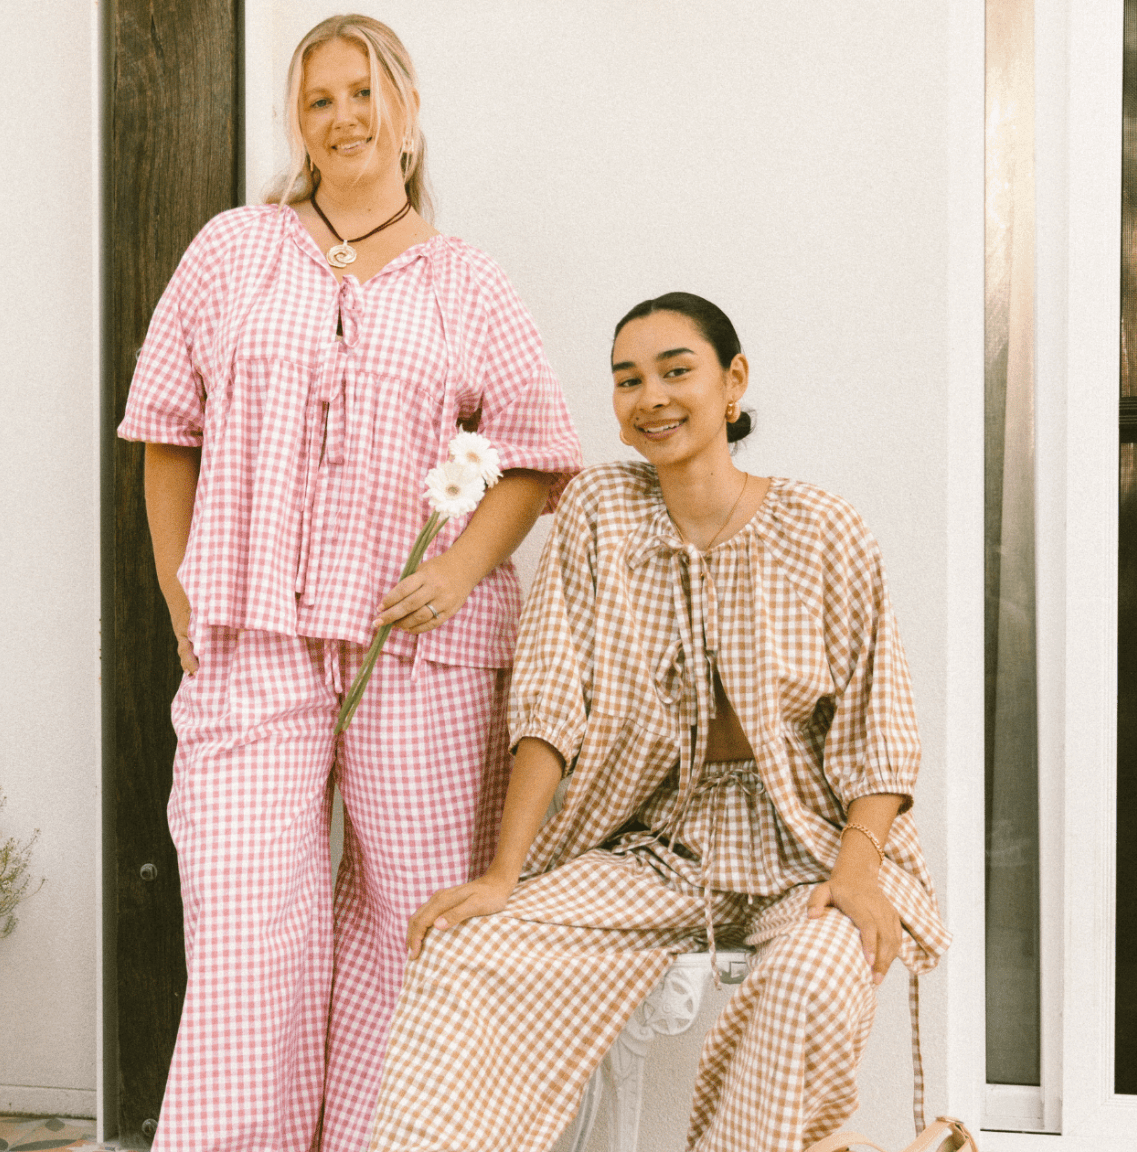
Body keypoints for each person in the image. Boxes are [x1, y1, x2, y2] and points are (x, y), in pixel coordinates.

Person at [116, 14, 582, 1152]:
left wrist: (457, 571)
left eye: (363, 93)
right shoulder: (232, 249)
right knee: (244, 926)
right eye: (318, 98)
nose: (343, 118)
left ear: (408, 113)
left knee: (410, 920)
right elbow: (164, 430)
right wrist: (185, 593)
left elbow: (537, 455)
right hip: (254, 637)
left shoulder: (466, 283)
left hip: (416, 648)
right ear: (296, 121)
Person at [366, 293, 950, 1152]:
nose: (653, 398)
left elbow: (880, 735)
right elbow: (549, 706)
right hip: (656, 848)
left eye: (678, 371)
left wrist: (858, 874)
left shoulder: (824, 529)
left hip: (811, 847)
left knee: (816, 978)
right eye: (628, 381)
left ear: (733, 383)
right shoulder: (598, 512)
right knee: (467, 951)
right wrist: (504, 874)